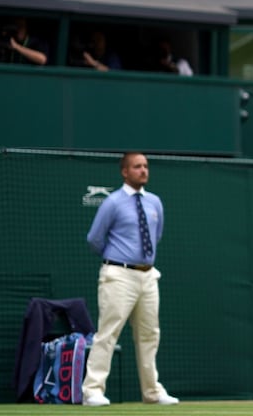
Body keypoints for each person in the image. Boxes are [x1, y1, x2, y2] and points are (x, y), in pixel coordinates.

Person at [82, 152, 179, 406]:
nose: (143, 171)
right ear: (125, 172)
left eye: (146, 166)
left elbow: (155, 237)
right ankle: (92, 390)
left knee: (150, 334)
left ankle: (152, 392)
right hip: (117, 274)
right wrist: (116, 259)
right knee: (108, 332)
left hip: (148, 276)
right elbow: (94, 238)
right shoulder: (112, 202)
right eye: (137, 167)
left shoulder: (155, 202)